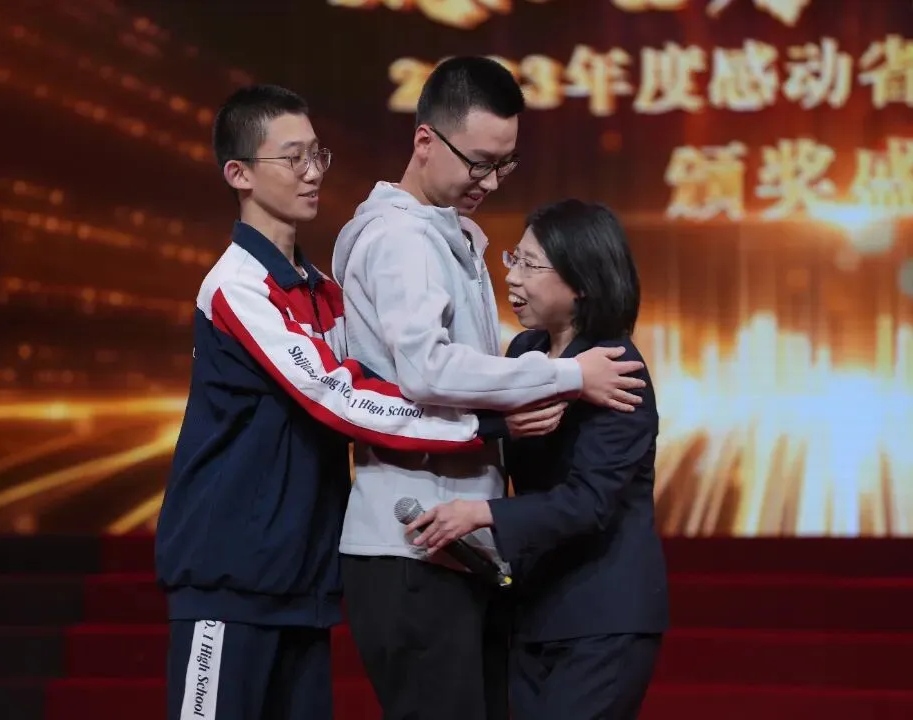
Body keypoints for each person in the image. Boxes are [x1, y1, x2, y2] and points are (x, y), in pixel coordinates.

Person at [155, 84, 520, 720]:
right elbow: (339, 395)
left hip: (302, 574)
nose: (313, 172)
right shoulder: (237, 288)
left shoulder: (323, 289)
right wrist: (487, 423)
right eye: (292, 158)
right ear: (238, 174)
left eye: (316, 154)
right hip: (228, 575)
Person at [331, 58, 648, 720]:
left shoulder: (444, 234)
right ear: (425, 141)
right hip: (416, 538)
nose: (492, 181)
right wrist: (568, 377)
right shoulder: (403, 239)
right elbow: (427, 370)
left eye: (505, 165)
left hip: (454, 550)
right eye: (479, 163)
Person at [407, 200, 671, 720]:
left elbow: (590, 502)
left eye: (531, 265)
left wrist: (481, 514)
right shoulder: (526, 351)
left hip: (603, 613)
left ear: (583, 282)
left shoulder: (618, 368)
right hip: (534, 608)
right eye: (514, 259)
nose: (512, 277)